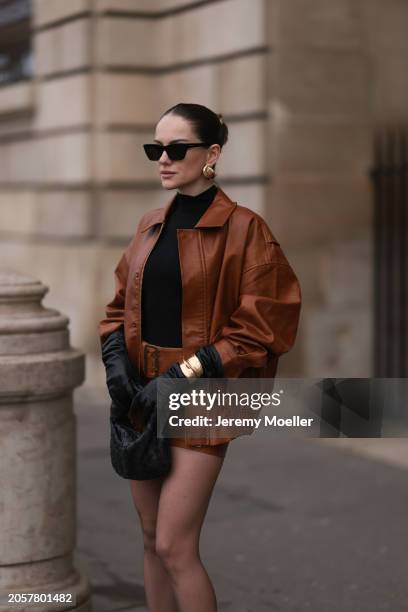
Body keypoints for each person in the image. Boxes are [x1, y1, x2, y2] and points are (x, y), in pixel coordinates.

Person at [98, 102, 302, 611]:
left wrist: (182, 374)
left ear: (211, 154)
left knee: (174, 544)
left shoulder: (246, 229)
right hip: (141, 392)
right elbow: (118, 309)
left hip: (202, 396)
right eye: (155, 149)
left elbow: (261, 326)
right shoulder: (149, 225)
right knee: (149, 539)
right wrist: (117, 367)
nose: (163, 159)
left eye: (175, 149)